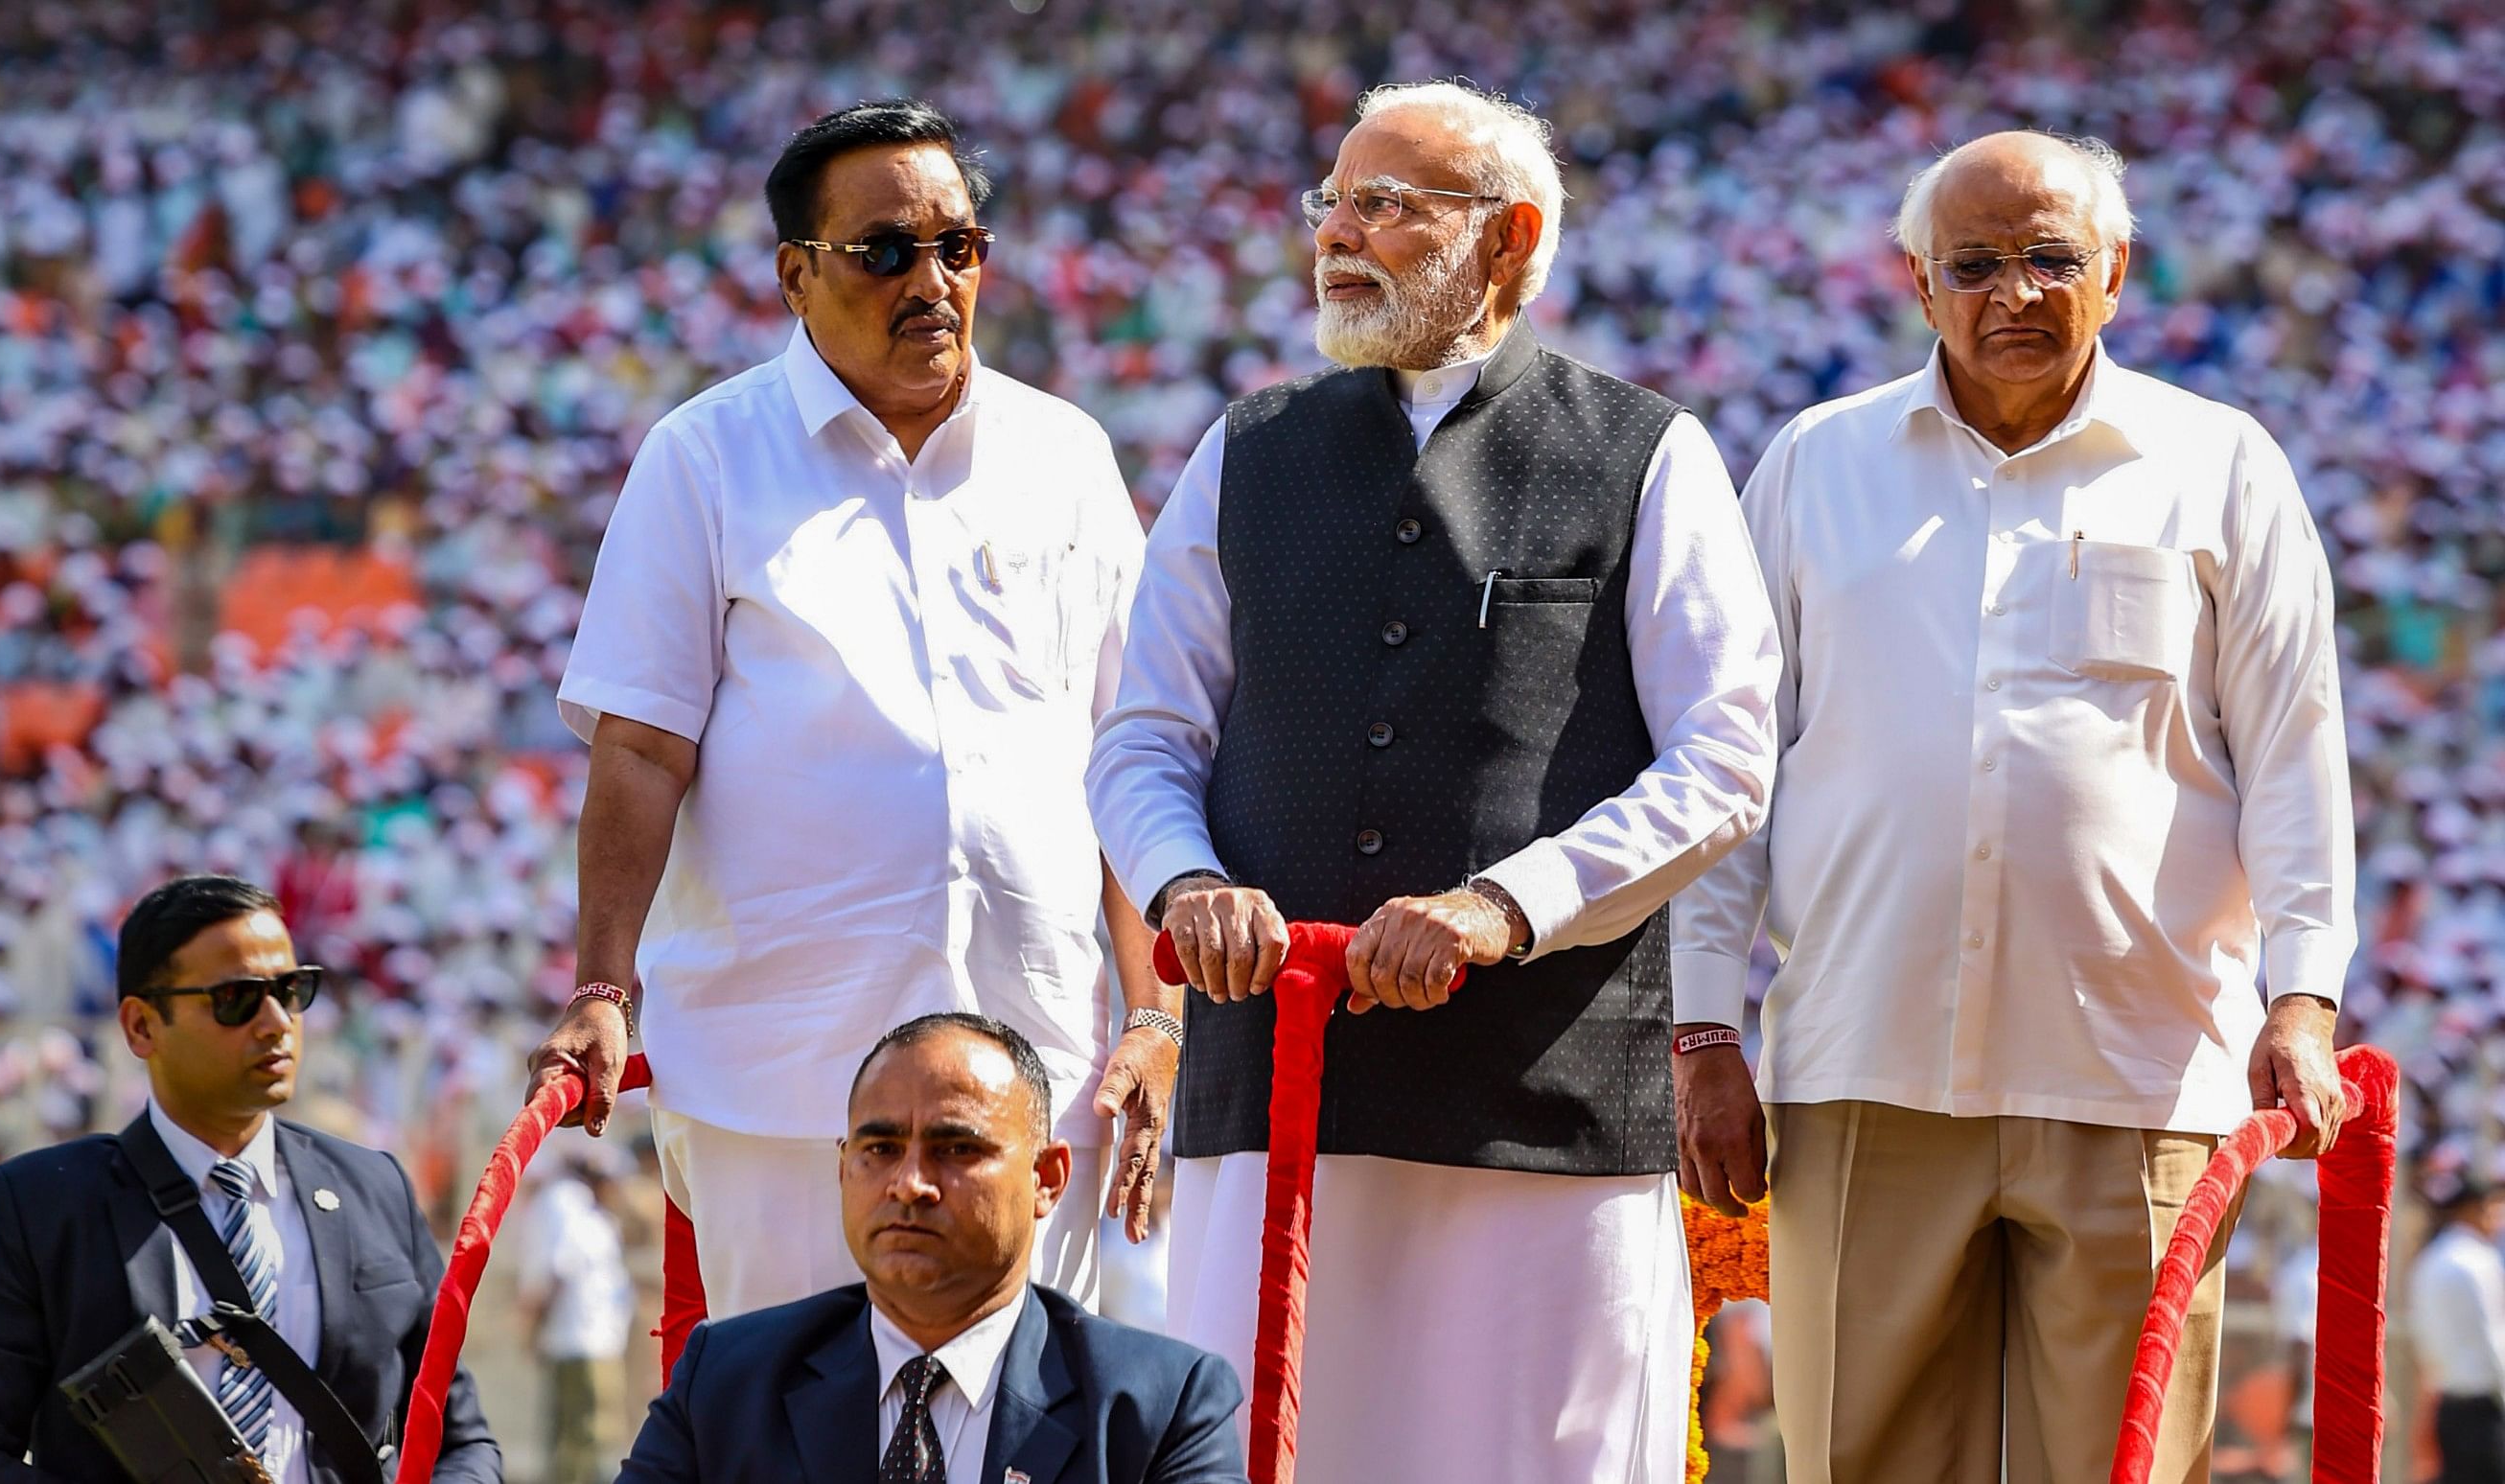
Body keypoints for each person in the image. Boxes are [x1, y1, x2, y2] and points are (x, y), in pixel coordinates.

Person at [1086, 80, 1780, 1481]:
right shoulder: (1246, 448)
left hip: (1544, 1109)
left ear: (1511, 239)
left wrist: (1502, 909)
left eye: (1388, 206)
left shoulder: (1644, 454)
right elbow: (1143, 736)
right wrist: (1187, 881)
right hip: (1276, 1099)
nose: (1339, 234)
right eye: (1331, 202)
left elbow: (1724, 758)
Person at [1672, 129, 2356, 1484]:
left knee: (2120, 1466)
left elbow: (2295, 750)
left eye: (2051, 258)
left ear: (2118, 274)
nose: (2016, 293)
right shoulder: (1819, 464)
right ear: (1918, 287)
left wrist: (2304, 996)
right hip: (1865, 1065)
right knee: (1854, 1461)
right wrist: (1701, 1028)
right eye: (1974, 263)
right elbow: (1729, 765)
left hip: (2140, 1068)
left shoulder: (2219, 465)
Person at [530, 98, 1178, 1325]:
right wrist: (604, 990)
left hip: (1040, 1057)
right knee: (797, 1429)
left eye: (959, 248)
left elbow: (1130, 756)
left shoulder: (1066, 454)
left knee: (1034, 1433)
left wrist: (1154, 1014)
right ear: (795, 275)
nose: (930, 280)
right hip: (786, 1079)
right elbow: (641, 748)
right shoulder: (704, 456)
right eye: (884, 252)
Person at [0, 875, 500, 1484]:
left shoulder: (375, 1189)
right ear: (141, 1027)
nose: (276, 1023)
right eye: (236, 998)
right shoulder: (40, 1206)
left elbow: (462, 1443)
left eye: (291, 990)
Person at [615, 1012, 1245, 1484]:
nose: (909, 1184)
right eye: (880, 1150)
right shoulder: (728, 1381)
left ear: (1047, 1178)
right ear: (843, 1170)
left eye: (956, 1150)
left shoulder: (1159, 1407)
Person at [520, 1142, 638, 1484]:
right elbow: (556, 1270)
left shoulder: (591, 1213)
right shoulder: (567, 1204)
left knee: (579, 1436)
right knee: (588, 1435)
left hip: (594, 1340)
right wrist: (533, 1325)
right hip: (581, 1341)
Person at [2409, 1180, 2505, 1483]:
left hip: (2446, 1404)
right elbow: (2493, 1336)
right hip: (2483, 1407)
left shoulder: (2429, 1259)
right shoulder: (2478, 1261)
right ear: (2470, 1209)